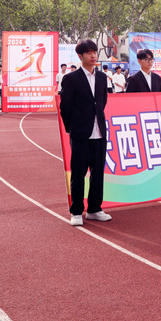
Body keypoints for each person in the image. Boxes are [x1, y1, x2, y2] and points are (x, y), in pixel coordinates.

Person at [59, 39, 111, 225]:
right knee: (78, 173)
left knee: (98, 174)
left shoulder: (102, 77)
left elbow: (102, 102)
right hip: (81, 133)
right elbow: (65, 107)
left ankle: (95, 209)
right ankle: (76, 211)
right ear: (80, 56)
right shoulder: (71, 79)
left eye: (95, 52)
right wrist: (72, 129)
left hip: (100, 132)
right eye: (89, 53)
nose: (93, 56)